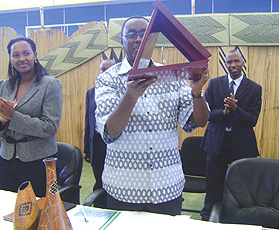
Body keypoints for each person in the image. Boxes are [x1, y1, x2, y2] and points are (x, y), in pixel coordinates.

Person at [95, 16, 210, 216]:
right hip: (124, 189)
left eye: (144, 34)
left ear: (153, 39)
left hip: (166, 187)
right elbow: (110, 131)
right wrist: (130, 96)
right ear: (122, 41)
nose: (138, 39)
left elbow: (198, 121)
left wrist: (197, 93)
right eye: (131, 35)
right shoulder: (108, 80)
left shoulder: (173, 77)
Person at [0, 37, 63, 197]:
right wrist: (3, 120)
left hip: (38, 161)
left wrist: (13, 117)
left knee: (38, 212)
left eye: (26, 53)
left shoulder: (50, 85)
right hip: (6, 159)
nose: (21, 59)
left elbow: (49, 127)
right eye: (15, 55)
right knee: (4, 207)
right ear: (10, 59)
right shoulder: (4, 85)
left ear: (35, 55)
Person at [200, 49, 262, 220]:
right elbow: (206, 114)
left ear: (243, 62)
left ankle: (238, 221)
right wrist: (224, 113)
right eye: (229, 62)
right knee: (213, 186)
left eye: (236, 61)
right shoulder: (214, 84)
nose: (233, 65)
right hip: (216, 143)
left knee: (241, 188)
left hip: (241, 145)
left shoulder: (255, 88)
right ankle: (208, 220)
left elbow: (252, 120)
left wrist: (235, 110)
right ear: (225, 63)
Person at [83, 58, 115, 208]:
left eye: (110, 68)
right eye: (103, 69)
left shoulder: (121, 90)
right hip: (96, 143)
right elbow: (88, 121)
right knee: (99, 178)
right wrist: (86, 148)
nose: (106, 71)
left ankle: (111, 206)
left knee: (113, 180)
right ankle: (100, 208)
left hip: (114, 142)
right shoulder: (91, 93)